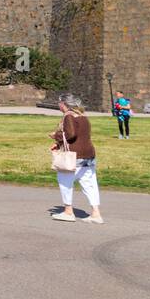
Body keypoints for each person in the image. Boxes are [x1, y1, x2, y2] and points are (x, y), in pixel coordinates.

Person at [51, 95, 103, 223]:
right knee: (89, 184)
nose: (58, 105)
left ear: (63, 103)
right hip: (89, 154)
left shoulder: (68, 115)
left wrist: (55, 135)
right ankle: (96, 213)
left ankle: (68, 211)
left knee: (65, 181)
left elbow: (71, 134)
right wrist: (59, 144)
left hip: (75, 155)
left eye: (59, 102)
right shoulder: (83, 116)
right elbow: (80, 136)